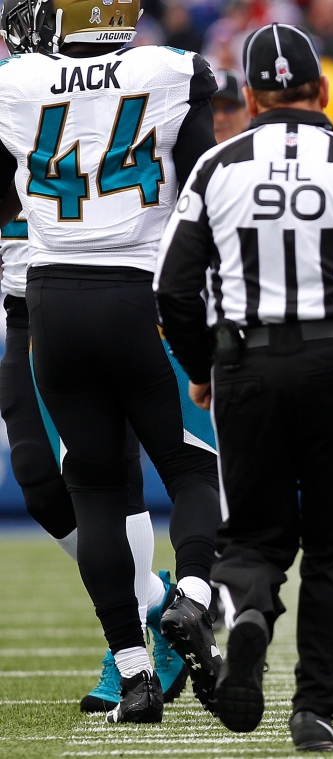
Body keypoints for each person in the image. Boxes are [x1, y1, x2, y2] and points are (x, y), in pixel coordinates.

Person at [154, 23, 333, 751]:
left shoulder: (217, 166)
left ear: (248, 97)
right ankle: (314, 709)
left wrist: (202, 365)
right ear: (324, 90)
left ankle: (249, 608)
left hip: (246, 360)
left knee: (251, 533)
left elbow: (173, 289)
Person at [0, 0, 224, 723]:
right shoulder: (170, 71)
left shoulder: (19, 85)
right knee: (189, 466)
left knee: (96, 487)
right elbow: (199, 176)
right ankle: (187, 597)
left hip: (55, 295)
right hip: (131, 293)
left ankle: (134, 670)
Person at [0, 196, 185, 715]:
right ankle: (155, 600)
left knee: (111, 479)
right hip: (24, 307)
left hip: (103, 288)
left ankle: (126, 650)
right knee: (36, 477)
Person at [211, 69, 251, 144]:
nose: (220, 118)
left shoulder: (259, 152)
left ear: (246, 115)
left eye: (229, 109)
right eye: (212, 110)